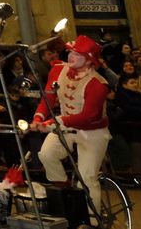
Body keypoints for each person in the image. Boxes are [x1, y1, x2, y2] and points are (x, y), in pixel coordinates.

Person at [32, 35, 111, 211]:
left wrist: (54, 121)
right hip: (64, 126)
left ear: (89, 60)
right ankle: (65, 190)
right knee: (46, 154)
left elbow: (88, 116)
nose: (71, 57)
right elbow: (48, 98)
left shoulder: (98, 84)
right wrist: (38, 117)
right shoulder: (57, 71)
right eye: (71, 52)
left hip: (92, 132)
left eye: (77, 54)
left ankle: (93, 220)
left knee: (87, 179)